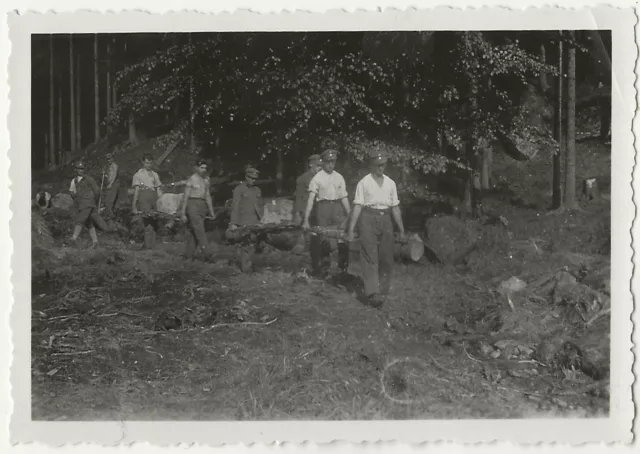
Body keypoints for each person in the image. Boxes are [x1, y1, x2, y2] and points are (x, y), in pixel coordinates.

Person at [347, 150, 406, 308]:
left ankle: (383, 291)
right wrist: (351, 228)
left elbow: (395, 208)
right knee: (369, 256)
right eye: (378, 165)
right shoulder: (364, 183)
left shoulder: (390, 183)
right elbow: (358, 206)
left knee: (386, 257)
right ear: (372, 166)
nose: (381, 168)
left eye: (383, 165)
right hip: (368, 218)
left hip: (386, 219)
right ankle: (373, 293)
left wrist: (401, 229)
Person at [302, 148, 350, 279]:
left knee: (342, 239)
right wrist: (306, 219)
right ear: (323, 162)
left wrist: (350, 215)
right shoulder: (317, 178)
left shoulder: (339, 177)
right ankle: (326, 270)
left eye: (333, 162)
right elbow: (311, 200)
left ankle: (343, 269)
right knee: (324, 240)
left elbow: (344, 197)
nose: (330, 165)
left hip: (337, 209)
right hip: (323, 209)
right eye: (328, 162)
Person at [68, 160, 113, 248]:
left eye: (82, 168)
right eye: (78, 168)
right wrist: (75, 197)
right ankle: (95, 242)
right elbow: (71, 191)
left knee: (80, 220)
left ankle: (73, 239)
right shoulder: (74, 181)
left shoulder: (88, 179)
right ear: (75, 169)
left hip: (88, 203)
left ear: (84, 169)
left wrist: (93, 200)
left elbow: (96, 191)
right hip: (81, 204)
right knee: (89, 223)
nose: (80, 170)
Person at [227, 166, 264, 272]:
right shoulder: (239, 189)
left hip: (255, 221)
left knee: (254, 245)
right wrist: (233, 223)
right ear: (246, 177)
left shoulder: (257, 190)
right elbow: (235, 207)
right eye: (251, 178)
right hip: (243, 221)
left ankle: (248, 265)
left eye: (255, 178)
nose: (253, 180)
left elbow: (260, 206)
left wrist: (262, 219)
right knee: (246, 246)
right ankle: (246, 269)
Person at [180, 159, 216, 258]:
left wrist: (211, 211)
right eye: (201, 168)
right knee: (200, 229)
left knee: (194, 232)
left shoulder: (206, 179)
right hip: (193, 204)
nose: (203, 170)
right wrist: (183, 213)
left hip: (202, 205)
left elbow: (207, 195)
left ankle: (188, 255)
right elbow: (185, 196)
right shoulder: (192, 179)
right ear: (196, 168)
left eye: (205, 168)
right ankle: (208, 253)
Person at [131, 154, 163, 249]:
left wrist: (161, 201)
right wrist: (134, 206)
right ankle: (148, 246)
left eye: (150, 163)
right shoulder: (138, 175)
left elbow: (158, 188)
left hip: (154, 197)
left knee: (154, 220)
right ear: (143, 163)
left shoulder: (155, 174)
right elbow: (136, 191)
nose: (148, 165)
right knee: (147, 221)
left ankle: (152, 244)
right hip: (144, 196)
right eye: (146, 163)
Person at [293, 154, 322, 225]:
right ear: (311, 165)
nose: (320, 168)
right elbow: (298, 197)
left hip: (318, 211)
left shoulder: (322, 177)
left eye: (321, 166)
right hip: (306, 212)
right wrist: (297, 214)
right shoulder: (303, 178)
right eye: (318, 165)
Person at [103, 152, 120, 219]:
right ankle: (110, 214)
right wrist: (105, 175)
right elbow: (109, 175)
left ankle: (111, 216)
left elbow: (115, 175)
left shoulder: (114, 165)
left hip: (114, 184)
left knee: (109, 201)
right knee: (108, 200)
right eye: (107, 159)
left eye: (110, 159)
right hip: (110, 184)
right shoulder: (108, 166)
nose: (108, 160)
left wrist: (111, 183)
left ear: (112, 158)